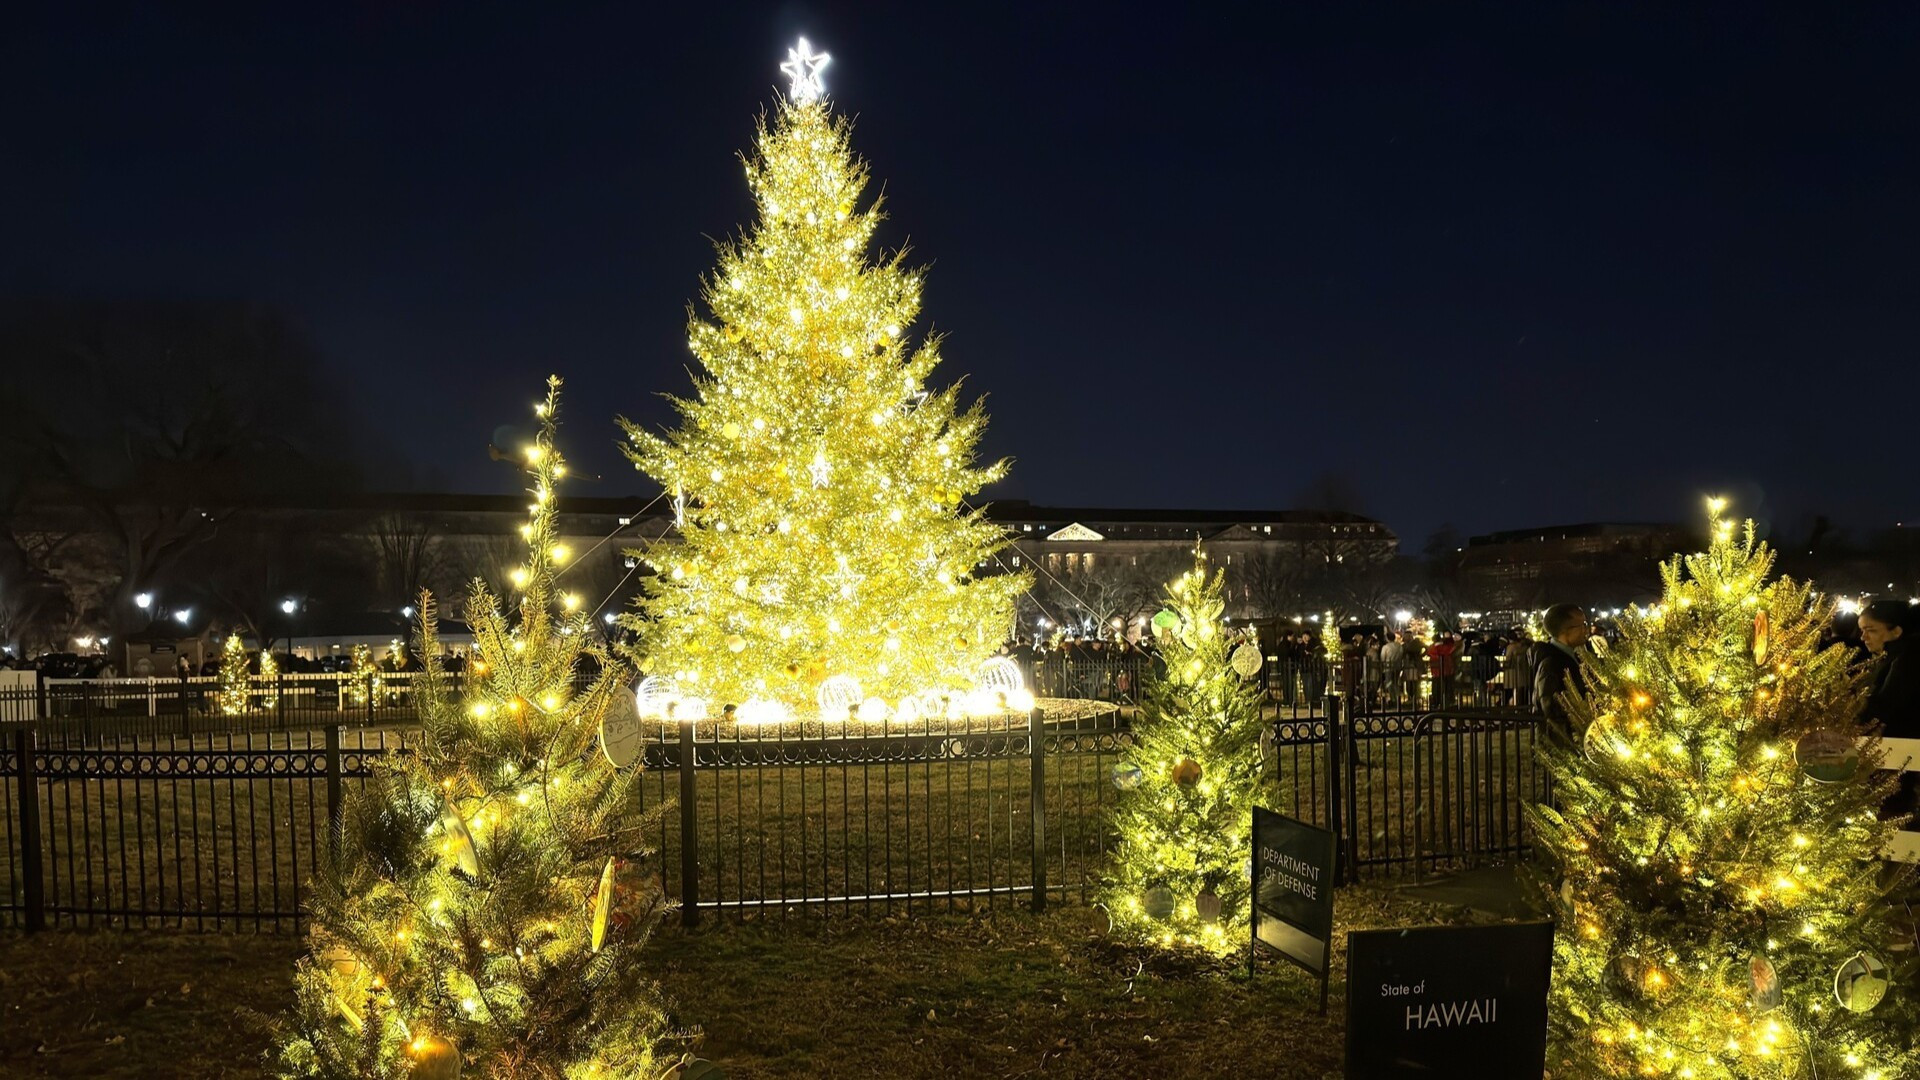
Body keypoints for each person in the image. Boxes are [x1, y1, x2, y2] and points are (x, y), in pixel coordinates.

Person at [1858, 600, 1918, 830]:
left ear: (1896, 631)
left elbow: (1885, 705)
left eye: (1871, 630)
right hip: (1895, 752)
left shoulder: (1906, 659)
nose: (1863, 637)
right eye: (1862, 630)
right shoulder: (1891, 657)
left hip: (1900, 753)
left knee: (1893, 816)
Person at [1532, 604, 1591, 740]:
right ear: (1565, 630)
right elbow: (1552, 709)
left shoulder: (1575, 657)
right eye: (1582, 625)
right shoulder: (1551, 664)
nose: (1586, 630)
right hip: (1563, 742)